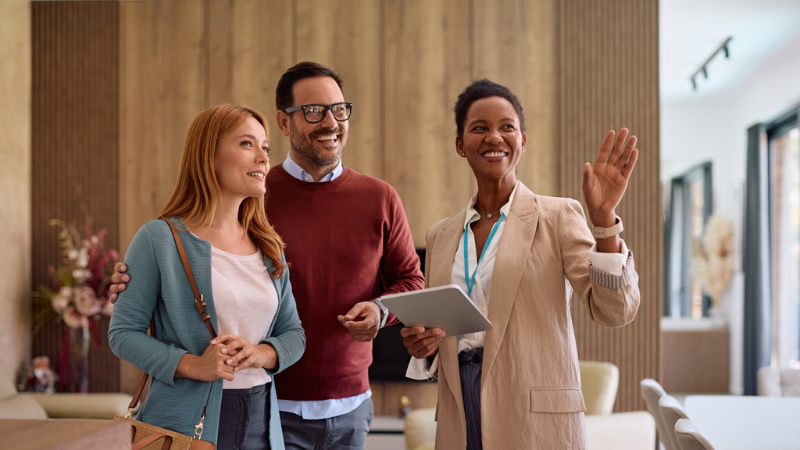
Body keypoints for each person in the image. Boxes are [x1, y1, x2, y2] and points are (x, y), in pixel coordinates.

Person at [109, 62, 425, 450]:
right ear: (285, 121)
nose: (330, 121)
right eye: (314, 110)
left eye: (339, 109)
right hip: (268, 406)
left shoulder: (281, 230)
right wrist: (136, 284)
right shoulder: (251, 198)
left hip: (337, 406)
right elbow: (129, 326)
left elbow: (408, 282)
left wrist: (379, 310)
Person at [401, 80, 641, 449]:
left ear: (522, 141)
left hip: (533, 419)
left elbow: (614, 310)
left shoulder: (558, 216)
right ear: (460, 145)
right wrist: (426, 346)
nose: (494, 137)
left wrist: (605, 222)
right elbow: (444, 332)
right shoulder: (440, 235)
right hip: (459, 414)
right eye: (479, 127)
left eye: (506, 127)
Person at [108, 104, 306, 450]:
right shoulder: (158, 239)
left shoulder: (268, 245)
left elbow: (294, 334)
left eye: (265, 147)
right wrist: (192, 365)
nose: (264, 158)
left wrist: (260, 354)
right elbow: (123, 334)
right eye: (247, 143)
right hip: (185, 427)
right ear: (208, 156)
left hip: (262, 422)